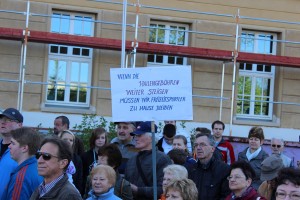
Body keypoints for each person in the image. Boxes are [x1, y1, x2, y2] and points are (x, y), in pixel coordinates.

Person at [125, 121, 172, 200]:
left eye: (139, 135)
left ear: (151, 138)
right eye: (135, 135)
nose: (136, 138)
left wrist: (138, 190)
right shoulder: (132, 160)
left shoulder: (162, 159)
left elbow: (165, 188)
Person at [1, 127, 43, 200]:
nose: (9, 146)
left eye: (13, 143)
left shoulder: (21, 178)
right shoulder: (37, 167)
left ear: (24, 148)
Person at [188, 133, 231, 200]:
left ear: (212, 149)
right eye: (196, 145)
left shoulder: (224, 170)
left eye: (202, 144)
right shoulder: (191, 169)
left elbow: (226, 196)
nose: (198, 148)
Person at [0, 108, 23, 199]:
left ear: (20, 125)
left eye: (9, 120)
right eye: (1, 119)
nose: (3, 122)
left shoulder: (25, 151)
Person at [81, 127, 108, 195]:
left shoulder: (109, 155)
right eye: (97, 138)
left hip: (105, 189)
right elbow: (83, 175)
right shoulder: (85, 156)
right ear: (93, 139)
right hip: (89, 188)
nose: (100, 140)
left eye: (102, 138)